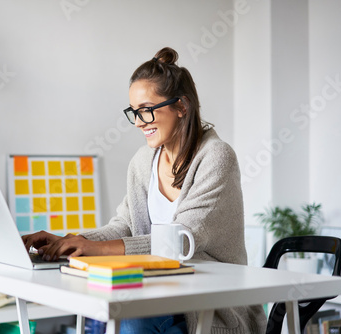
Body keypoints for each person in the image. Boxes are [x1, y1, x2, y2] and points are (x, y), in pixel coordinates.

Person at [22, 47, 267, 333]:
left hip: (208, 309)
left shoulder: (216, 157)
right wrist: (72, 240)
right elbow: (125, 226)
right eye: (134, 112)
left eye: (147, 110)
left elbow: (179, 242)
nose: (139, 122)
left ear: (181, 106)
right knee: (104, 312)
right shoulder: (143, 161)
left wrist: (96, 249)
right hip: (156, 293)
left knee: (131, 319)